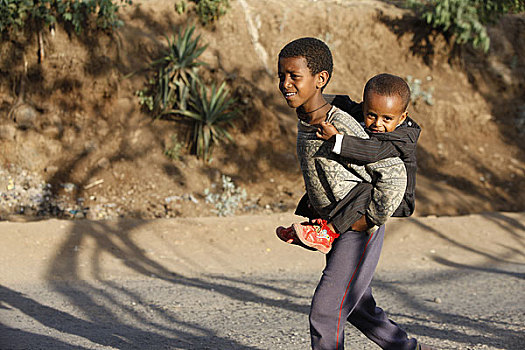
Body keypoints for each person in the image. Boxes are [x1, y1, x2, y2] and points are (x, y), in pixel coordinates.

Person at [276, 37, 434, 350]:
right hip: (339, 221)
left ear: (320, 79)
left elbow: (393, 175)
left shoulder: (342, 125)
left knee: (326, 309)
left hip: (357, 225)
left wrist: (368, 219)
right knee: (357, 304)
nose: (285, 83)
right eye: (281, 75)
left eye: (294, 76)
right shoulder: (310, 118)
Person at [279, 74, 421, 253]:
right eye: (371, 115)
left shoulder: (403, 138)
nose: (377, 124)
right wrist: (308, 99)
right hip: (370, 183)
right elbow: (345, 103)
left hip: (390, 199)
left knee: (364, 189)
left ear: (402, 118)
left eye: (386, 119)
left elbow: (372, 151)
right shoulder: (371, 114)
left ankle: (327, 232)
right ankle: (315, 224)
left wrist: (337, 140)